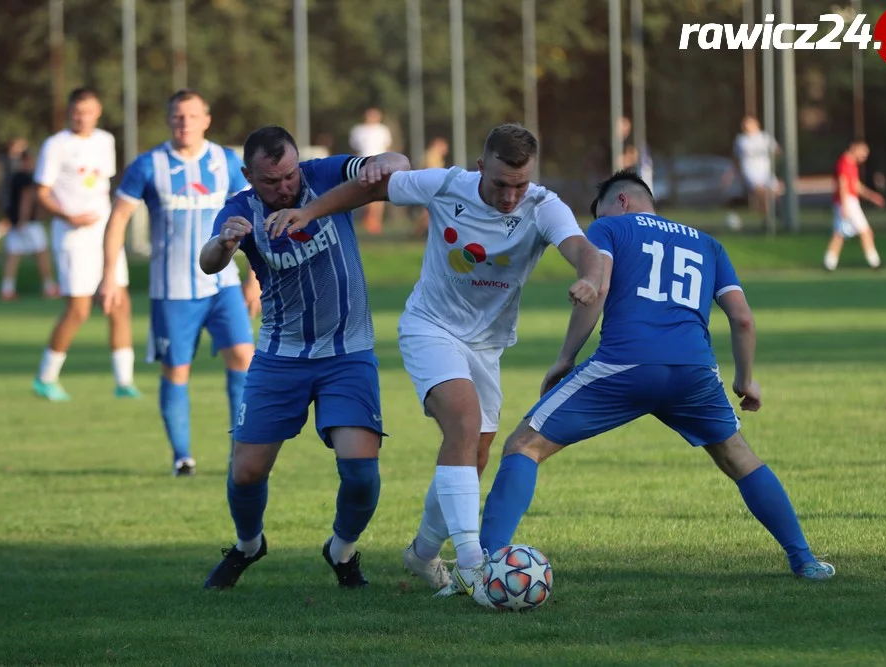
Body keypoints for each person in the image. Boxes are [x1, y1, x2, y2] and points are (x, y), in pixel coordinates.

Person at [266, 123, 603, 607]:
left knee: (476, 453)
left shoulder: (542, 205)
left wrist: (590, 278)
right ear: (480, 166)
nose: (511, 196)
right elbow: (372, 188)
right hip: (430, 327)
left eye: (520, 185)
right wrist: (308, 212)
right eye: (501, 183)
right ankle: (472, 565)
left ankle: (423, 555)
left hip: (487, 345)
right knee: (463, 423)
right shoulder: (445, 184)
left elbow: (583, 250)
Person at [477, 170, 836, 601]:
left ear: (622, 202)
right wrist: (745, 380)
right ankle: (805, 561)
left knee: (524, 446)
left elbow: (599, 287)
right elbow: (741, 317)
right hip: (694, 372)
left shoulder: (610, 226)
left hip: (624, 365)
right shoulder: (707, 243)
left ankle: (486, 565)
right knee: (740, 459)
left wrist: (565, 358)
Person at [198, 125, 410, 590]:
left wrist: (382, 163)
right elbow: (208, 261)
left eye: (289, 175)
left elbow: (399, 164)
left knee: (360, 472)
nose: (285, 187)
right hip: (280, 355)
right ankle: (249, 545)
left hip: (348, 353)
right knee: (247, 469)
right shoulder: (239, 209)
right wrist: (224, 243)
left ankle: (342, 551)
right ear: (248, 174)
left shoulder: (324, 174)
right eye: (271, 180)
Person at [98, 89, 260, 477]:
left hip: (223, 287)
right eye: (177, 116)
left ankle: (240, 449)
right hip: (171, 291)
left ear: (206, 119)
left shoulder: (225, 162)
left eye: (191, 116)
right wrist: (110, 274)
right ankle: (182, 457)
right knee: (177, 371)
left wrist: (254, 276)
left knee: (245, 359)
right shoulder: (149, 165)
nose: (184, 122)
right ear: (169, 121)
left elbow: (253, 216)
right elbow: (118, 219)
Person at [32, 87, 139, 401]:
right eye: (77, 111)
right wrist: (67, 215)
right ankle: (46, 377)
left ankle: (124, 383)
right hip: (72, 236)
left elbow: (100, 185)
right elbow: (42, 192)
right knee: (78, 309)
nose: (82, 117)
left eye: (88, 111)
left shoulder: (105, 141)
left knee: (119, 303)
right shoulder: (56, 145)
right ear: (69, 112)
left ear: (98, 111)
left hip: (104, 234)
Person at [0, 148, 60, 300]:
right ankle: (49, 286)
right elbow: (26, 199)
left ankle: (7, 289)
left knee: (13, 256)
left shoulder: (14, 177)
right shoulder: (26, 177)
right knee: (42, 253)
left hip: (16, 223)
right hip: (29, 223)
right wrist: (24, 219)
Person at [824, 140, 885, 272]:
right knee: (865, 231)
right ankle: (875, 262)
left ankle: (829, 263)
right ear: (854, 148)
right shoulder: (845, 162)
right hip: (848, 202)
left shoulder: (852, 165)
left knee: (839, 233)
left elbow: (856, 185)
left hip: (846, 202)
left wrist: (872, 196)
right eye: (863, 152)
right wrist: (845, 205)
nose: (864, 156)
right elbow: (843, 183)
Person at [725, 115, 781, 230]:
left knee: (774, 194)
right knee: (762, 193)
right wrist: (730, 174)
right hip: (751, 172)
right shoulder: (741, 140)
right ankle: (768, 220)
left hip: (766, 171)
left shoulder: (765, 138)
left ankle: (769, 217)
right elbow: (735, 159)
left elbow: (777, 151)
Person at [348, 107, 393, 235]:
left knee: (378, 191)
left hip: (380, 163)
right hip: (362, 163)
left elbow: (387, 147)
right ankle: (368, 218)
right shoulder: (358, 130)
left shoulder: (383, 130)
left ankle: (375, 220)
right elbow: (355, 149)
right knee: (366, 190)